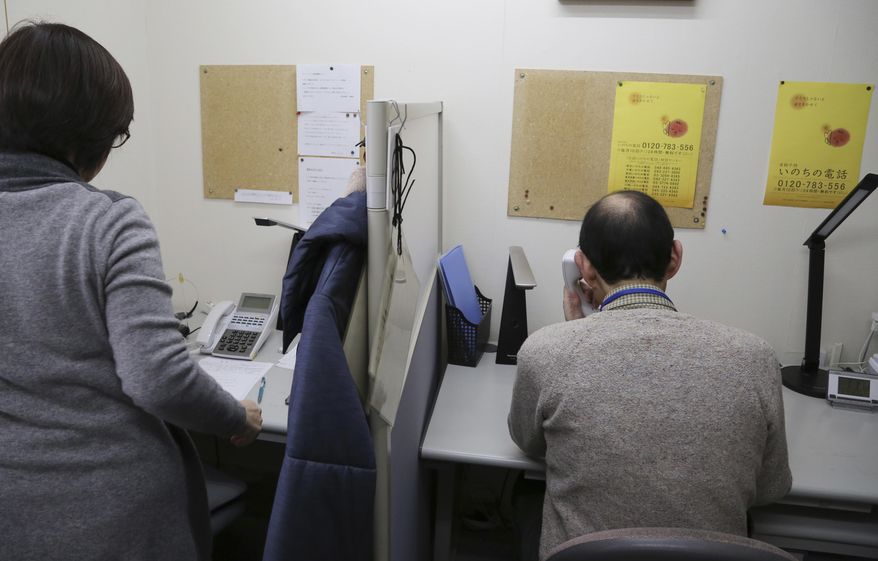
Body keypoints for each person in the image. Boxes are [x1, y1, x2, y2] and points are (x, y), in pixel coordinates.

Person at [0, 22, 262, 561]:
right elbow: (158, 378)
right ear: (85, 137)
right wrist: (235, 418)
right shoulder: (106, 221)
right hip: (110, 508)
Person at [508, 190, 792, 561]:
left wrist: (572, 335)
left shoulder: (546, 351)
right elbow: (771, 488)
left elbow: (528, 443)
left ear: (584, 268)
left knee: (519, 496)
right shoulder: (756, 357)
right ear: (674, 259)